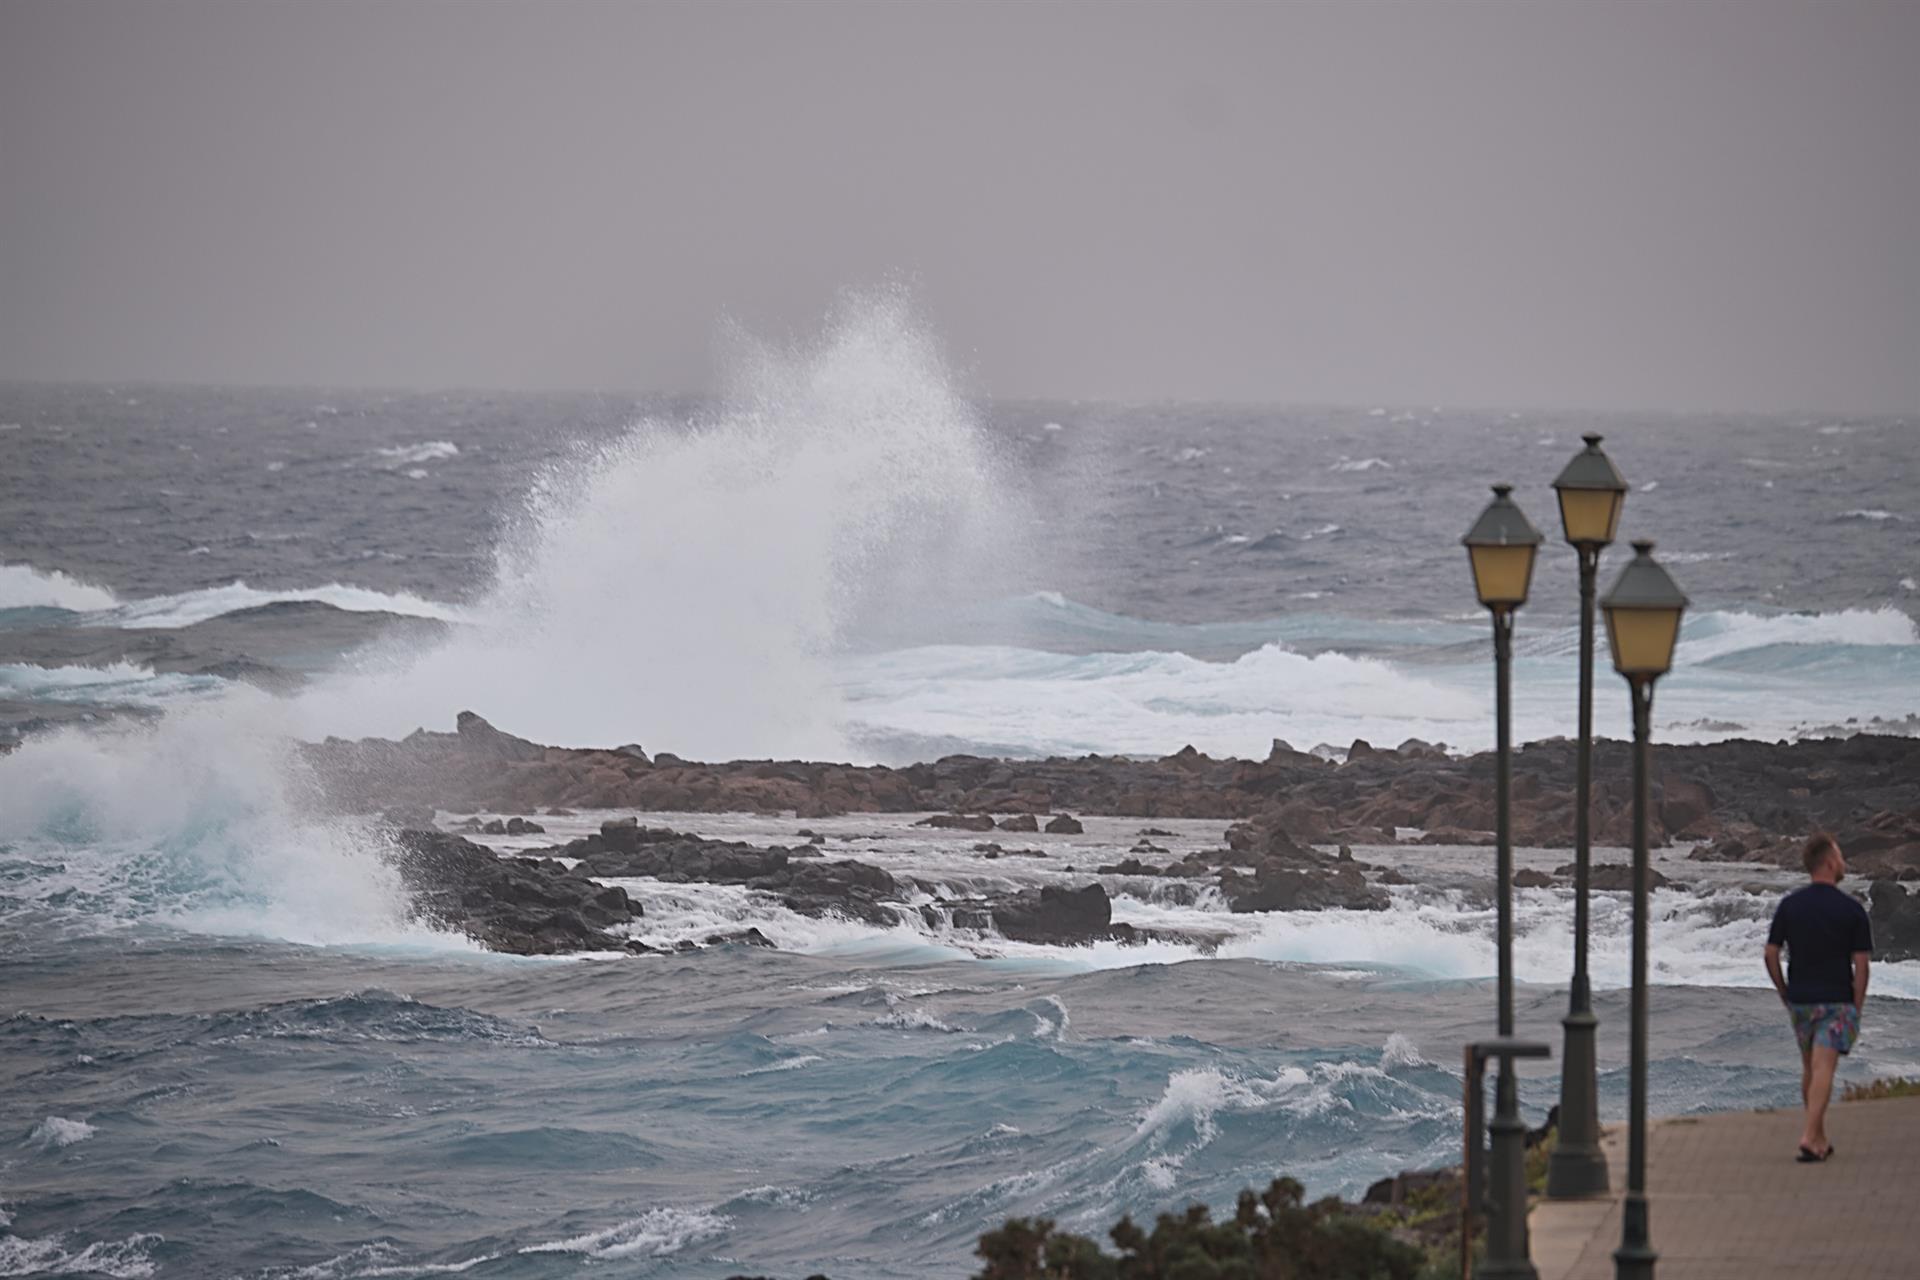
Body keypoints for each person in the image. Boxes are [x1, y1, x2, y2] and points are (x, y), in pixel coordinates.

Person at [1763, 831, 1872, 1163]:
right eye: (1839, 856)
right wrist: (1857, 1004)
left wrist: (1783, 991)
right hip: (1836, 1000)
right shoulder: (1852, 910)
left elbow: (1770, 954)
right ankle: (1810, 1137)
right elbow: (1862, 965)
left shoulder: (1790, 905)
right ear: (1828, 862)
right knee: (1824, 1066)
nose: (1843, 862)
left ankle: (1820, 1136)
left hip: (1800, 1000)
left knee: (1810, 1068)